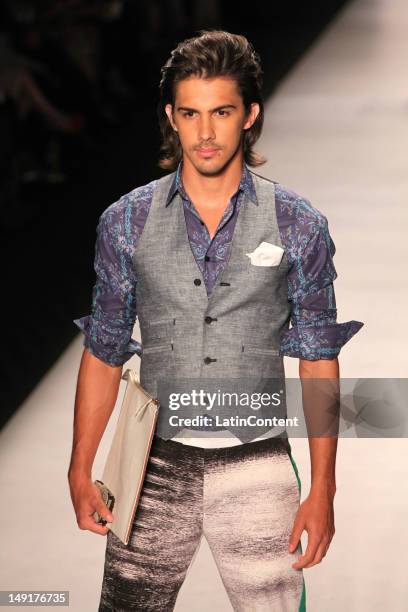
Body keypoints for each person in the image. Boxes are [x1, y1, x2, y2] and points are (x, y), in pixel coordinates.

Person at [68, 30, 364, 612]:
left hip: (258, 459)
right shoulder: (126, 222)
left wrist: (324, 486)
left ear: (250, 115)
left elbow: (318, 358)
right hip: (150, 466)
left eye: (222, 112)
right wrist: (80, 468)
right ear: (171, 118)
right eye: (191, 113)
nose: (205, 133)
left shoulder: (298, 224)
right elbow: (104, 349)